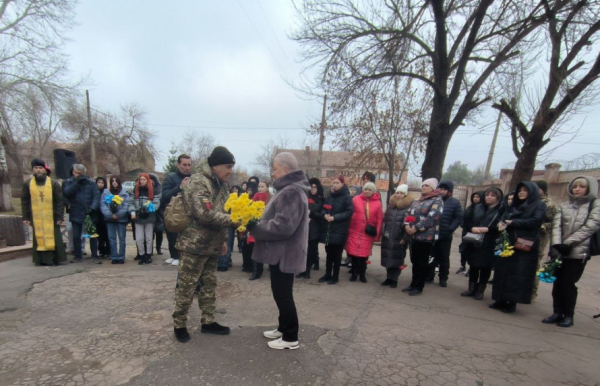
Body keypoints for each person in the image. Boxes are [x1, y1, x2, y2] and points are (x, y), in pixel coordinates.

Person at [172, 146, 236, 343]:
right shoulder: (198, 182)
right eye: (228, 166)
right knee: (187, 286)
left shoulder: (221, 184)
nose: (230, 171)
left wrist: (224, 239)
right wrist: (235, 220)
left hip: (212, 244)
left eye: (232, 167)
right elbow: (204, 214)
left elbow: (223, 208)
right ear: (215, 166)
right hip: (194, 244)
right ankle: (179, 324)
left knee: (209, 284)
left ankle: (208, 321)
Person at [249, 152, 309, 350]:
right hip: (281, 253)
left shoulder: (291, 191)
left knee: (283, 294)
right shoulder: (288, 190)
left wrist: (256, 228)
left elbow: (284, 226)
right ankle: (283, 327)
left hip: (285, 254)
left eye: (274, 169)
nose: (272, 173)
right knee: (279, 292)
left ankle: (290, 337)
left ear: (285, 169)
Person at [545, 176, 600, 327]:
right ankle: (557, 312)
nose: (577, 189)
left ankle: (568, 315)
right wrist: (557, 243)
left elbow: (591, 226)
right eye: (575, 186)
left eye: (581, 187)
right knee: (557, 282)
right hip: (559, 251)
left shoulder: (595, 205)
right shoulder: (564, 206)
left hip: (578, 252)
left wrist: (569, 243)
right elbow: (556, 225)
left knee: (568, 284)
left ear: (589, 189)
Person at [491, 181, 546, 313]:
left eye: (525, 190)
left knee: (517, 274)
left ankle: (512, 302)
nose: (521, 192)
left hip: (523, 244)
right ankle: (500, 299)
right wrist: (501, 223)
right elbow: (503, 217)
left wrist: (514, 222)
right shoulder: (514, 205)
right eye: (520, 190)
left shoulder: (539, 205)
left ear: (532, 192)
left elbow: (536, 221)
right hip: (507, 242)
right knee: (502, 272)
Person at [21, 159, 67, 266]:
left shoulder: (53, 183)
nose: (38, 170)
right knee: (38, 237)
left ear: (45, 170)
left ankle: (54, 259)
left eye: (40, 168)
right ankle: (40, 260)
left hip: (51, 216)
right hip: (36, 217)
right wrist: (26, 217)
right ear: (33, 170)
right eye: (36, 168)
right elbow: (25, 201)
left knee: (54, 237)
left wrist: (60, 216)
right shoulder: (28, 184)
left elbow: (59, 201)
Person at [402, 178, 443, 296]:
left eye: (427, 186)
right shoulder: (418, 201)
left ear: (433, 188)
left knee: (422, 262)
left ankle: (419, 286)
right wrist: (407, 226)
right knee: (415, 261)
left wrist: (415, 228)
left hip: (426, 238)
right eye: (423, 185)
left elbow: (432, 218)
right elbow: (408, 214)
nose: (424, 187)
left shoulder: (437, 201)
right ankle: (413, 283)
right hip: (413, 236)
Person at [460, 187, 503, 300]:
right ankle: (471, 288)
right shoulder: (477, 207)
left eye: (493, 195)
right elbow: (466, 220)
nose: (489, 197)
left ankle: (480, 290)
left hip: (490, 240)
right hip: (475, 238)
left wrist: (489, 229)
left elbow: (502, 225)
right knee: (473, 264)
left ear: (498, 198)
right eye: (487, 194)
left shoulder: (501, 210)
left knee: (485, 266)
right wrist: (472, 227)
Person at [426, 180, 463, 287]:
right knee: (431, 256)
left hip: (445, 235)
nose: (442, 192)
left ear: (449, 191)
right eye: (440, 189)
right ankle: (429, 276)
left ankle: (443, 278)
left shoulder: (454, 203)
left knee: (444, 257)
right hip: (432, 233)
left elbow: (458, 218)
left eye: (444, 189)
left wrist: (450, 229)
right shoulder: (434, 200)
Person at [318, 175, 354, 285]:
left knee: (337, 255)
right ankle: (327, 273)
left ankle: (335, 276)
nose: (335, 185)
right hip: (329, 229)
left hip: (339, 229)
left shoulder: (346, 197)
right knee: (328, 253)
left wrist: (335, 217)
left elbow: (349, 212)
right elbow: (324, 207)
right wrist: (324, 214)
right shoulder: (330, 195)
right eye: (334, 183)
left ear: (343, 184)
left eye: (337, 183)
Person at [344, 182, 383, 283]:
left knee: (364, 256)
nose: (367, 191)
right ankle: (353, 273)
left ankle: (362, 274)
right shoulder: (356, 199)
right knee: (353, 255)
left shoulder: (378, 203)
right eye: (365, 189)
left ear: (373, 191)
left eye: (370, 189)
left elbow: (379, 219)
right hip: (355, 231)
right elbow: (349, 212)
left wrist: (377, 234)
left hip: (367, 233)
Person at [62, 164, 100, 263]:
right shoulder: (69, 182)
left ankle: (94, 255)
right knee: (76, 235)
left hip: (89, 213)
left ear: (83, 173)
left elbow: (96, 196)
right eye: (75, 172)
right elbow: (67, 193)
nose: (77, 175)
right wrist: (77, 183)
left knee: (92, 235)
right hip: (75, 211)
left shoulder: (91, 183)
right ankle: (78, 255)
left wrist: (92, 208)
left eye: (79, 173)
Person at [161, 154, 192, 267]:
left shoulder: (194, 178)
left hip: (189, 214)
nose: (187, 167)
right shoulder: (171, 177)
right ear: (178, 165)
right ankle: (174, 255)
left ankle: (181, 256)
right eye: (184, 165)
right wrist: (179, 187)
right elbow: (165, 197)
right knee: (172, 235)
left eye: (189, 165)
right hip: (174, 213)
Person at [380, 184, 413, 288]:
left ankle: (394, 279)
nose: (399, 195)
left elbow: (409, 224)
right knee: (387, 258)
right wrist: (383, 232)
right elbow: (385, 220)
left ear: (405, 194)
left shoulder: (409, 207)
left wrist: (405, 239)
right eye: (397, 193)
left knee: (397, 258)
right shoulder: (391, 206)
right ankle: (388, 277)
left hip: (399, 238)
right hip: (388, 236)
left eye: (402, 193)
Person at [532, 180, 558, 300]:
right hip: (526, 236)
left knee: (534, 265)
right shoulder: (530, 201)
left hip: (540, 238)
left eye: (537, 188)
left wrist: (542, 226)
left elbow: (555, 223)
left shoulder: (550, 205)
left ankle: (532, 292)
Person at [129, 173, 161, 265]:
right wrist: (132, 212)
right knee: (139, 238)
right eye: (141, 179)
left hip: (149, 217)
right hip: (138, 218)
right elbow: (131, 203)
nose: (142, 181)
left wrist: (149, 208)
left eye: (144, 179)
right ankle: (142, 254)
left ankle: (148, 255)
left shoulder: (152, 191)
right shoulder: (135, 190)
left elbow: (156, 203)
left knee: (149, 238)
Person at [297, 177, 324, 278]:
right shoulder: (304, 198)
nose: (313, 189)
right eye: (311, 187)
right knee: (302, 250)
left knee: (312, 251)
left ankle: (307, 270)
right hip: (303, 227)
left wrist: (311, 213)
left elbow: (322, 215)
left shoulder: (321, 200)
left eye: (315, 187)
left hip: (315, 229)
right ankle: (302, 270)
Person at [100, 176, 129, 264]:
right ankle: (114, 256)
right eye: (112, 181)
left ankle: (121, 256)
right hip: (109, 219)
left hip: (121, 219)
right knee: (112, 238)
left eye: (116, 181)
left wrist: (118, 214)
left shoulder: (124, 194)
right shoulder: (106, 193)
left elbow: (126, 206)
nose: (114, 183)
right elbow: (103, 205)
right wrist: (110, 214)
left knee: (122, 238)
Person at [457, 191, 483, 275]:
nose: (475, 199)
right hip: (466, 232)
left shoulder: (482, 209)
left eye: (478, 197)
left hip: (476, 233)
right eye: (474, 197)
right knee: (464, 249)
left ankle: (470, 268)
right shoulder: (469, 208)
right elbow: (463, 218)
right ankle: (462, 266)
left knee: (473, 251)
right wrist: (464, 225)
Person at [249, 181, 271, 280]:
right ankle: (257, 271)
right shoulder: (255, 196)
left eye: (262, 186)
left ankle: (272, 268)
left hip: (268, 225)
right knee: (256, 248)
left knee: (269, 249)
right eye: (259, 186)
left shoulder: (271, 197)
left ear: (267, 188)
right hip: (256, 225)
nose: (260, 188)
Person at [90, 177, 110, 260]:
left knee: (107, 235)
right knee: (99, 236)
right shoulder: (94, 192)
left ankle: (109, 251)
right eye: (99, 182)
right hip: (96, 216)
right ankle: (101, 250)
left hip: (105, 216)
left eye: (102, 183)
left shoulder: (106, 192)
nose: (100, 184)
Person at [240, 182, 258, 274]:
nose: (249, 191)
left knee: (252, 248)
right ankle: (246, 264)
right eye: (248, 190)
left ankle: (253, 267)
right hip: (245, 224)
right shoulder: (243, 198)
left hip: (254, 223)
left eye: (251, 190)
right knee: (245, 247)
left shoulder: (256, 198)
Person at [149, 173, 164, 257]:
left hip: (158, 213)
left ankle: (158, 248)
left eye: (153, 180)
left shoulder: (158, 190)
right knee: (149, 233)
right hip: (149, 214)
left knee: (159, 232)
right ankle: (149, 249)